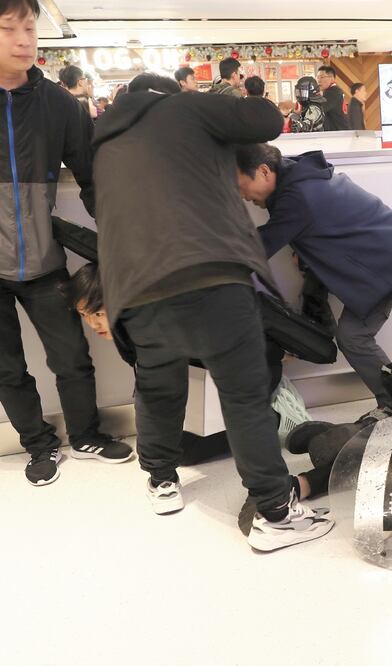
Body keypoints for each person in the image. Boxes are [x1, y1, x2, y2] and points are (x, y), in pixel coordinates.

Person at [93, 73, 333, 552]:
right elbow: (266, 119)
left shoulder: (102, 138)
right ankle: (274, 515)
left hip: (134, 289)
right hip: (210, 275)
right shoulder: (182, 108)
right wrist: (195, 98)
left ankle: (161, 481)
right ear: (168, 93)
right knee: (244, 397)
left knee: (158, 390)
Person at [63, 262, 331, 506]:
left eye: (98, 313)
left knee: (191, 440)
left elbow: (238, 348)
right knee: (181, 445)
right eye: (84, 315)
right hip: (206, 377)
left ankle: (272, 421)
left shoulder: (160, 322)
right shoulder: (134, 326)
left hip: (251, 368)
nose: (93, 324)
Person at [0, 0, 134, 487]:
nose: (23, 39)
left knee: (72, 358)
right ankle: (38, 445)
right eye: (8, 28)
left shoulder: (60, 104)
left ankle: (86, 436)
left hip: (43, 257)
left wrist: (119, 241)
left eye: (30, 28)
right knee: (6, 368)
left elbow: (93, 178)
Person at [235, 143, 392, 409]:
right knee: (353, 339)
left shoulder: (299, 195)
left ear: (263, 171)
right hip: (375, 277)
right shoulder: (295, 181)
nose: (242, 195)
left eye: (240, 185)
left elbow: (255, 248)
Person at [317, 65, 349, 131]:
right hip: (338, 130)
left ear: (332, 79)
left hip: (339, 132)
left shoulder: (333, 92)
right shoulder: (333, 90)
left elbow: (320, 110)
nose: (319, 80)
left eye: (322, 77)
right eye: (317, 77)